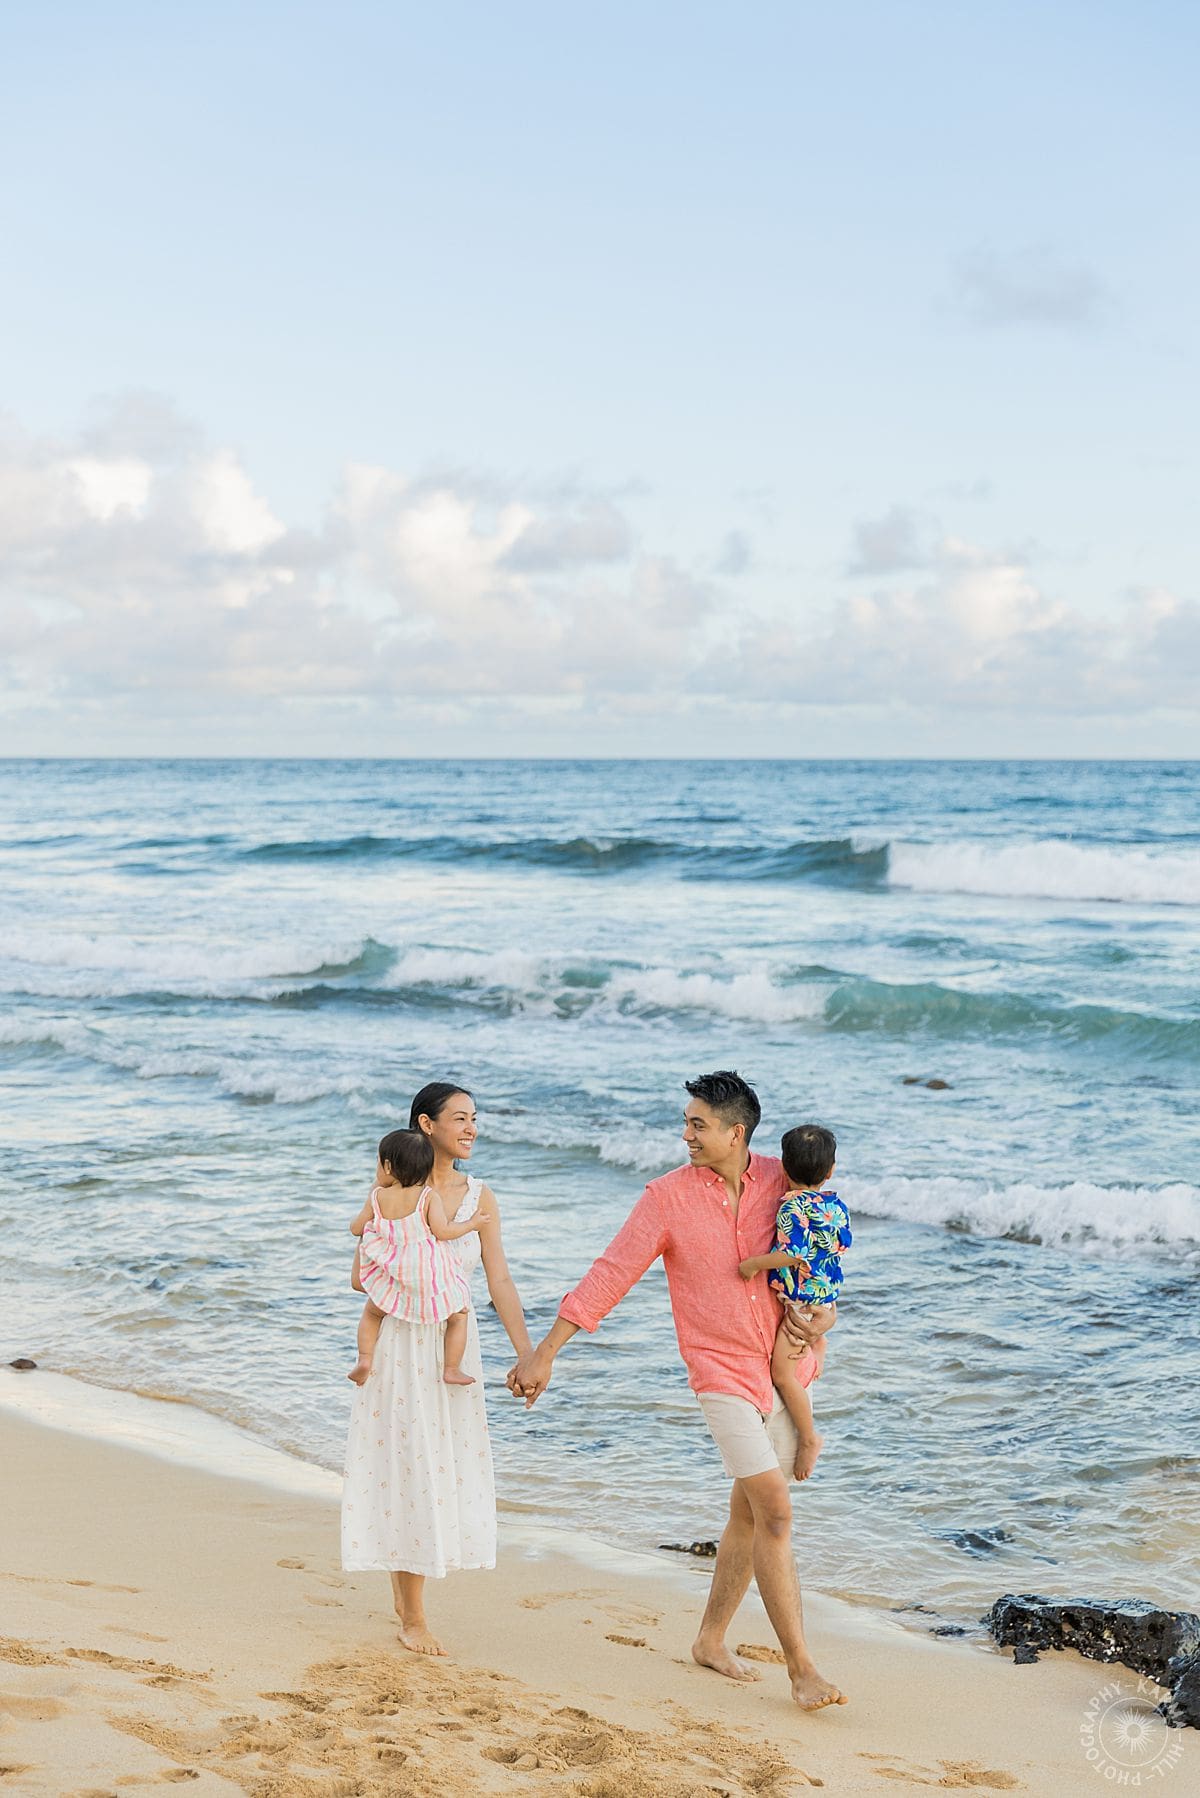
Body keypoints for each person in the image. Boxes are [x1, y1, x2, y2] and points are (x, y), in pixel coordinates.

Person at [508, 1070, 847, 1712]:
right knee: (774, 1509)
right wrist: (544, 1353)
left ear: (735, 1132)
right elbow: (611, 1274)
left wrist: (826, 1317)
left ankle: (711, 1639)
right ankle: (803, 1669)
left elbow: (827, 1255)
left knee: (747, 1515)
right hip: (718, 1372)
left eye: (698, 1125)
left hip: (784, 1367)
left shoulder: (786, 1180)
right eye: (686, 1123)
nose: (685, 1134)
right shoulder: (666, 1198)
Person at [342, 1082, 534, 1657]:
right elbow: (360, 1275)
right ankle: (414, 1615)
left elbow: (498, 1280)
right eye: (460, 1118)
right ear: (427, 1125)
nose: (472, 1127)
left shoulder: (480, 1196)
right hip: (402, 1340)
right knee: (407, 1464)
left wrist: (528, 1353)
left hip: (454, 1342)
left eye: (476, 1117)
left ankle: (409, 1599)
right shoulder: (395, 1191)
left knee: (439, 1463)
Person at [736, 1123, 850, 1483]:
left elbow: (792, 1252)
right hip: (827, 1293)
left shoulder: (791, 1207)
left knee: (783, 1375)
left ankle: (810, 1437)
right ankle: (817, 1352)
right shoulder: (836, 1205)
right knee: (810, 1341)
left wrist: (754, 1263)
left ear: (783, 1169)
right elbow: (842, 1243)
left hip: (801, 1300)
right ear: (830, 1171)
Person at [347, 1127, 491, 1389]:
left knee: (372, 1313)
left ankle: (365, 1359)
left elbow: (356, 1228)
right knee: (459, 1314)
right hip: (425, 1279)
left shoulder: (377, 1197)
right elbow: (444, 1232)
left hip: (393, 1277)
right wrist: (472, 1223)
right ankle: (451, 1368)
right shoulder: (427, 1197)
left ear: (388, 1166)